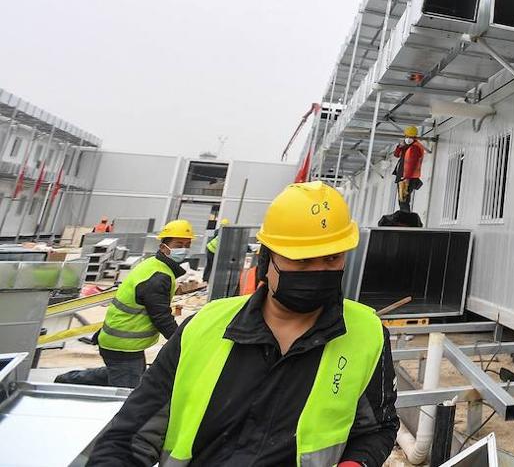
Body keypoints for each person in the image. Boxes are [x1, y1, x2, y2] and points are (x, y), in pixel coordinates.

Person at [86, 181, 398, 467]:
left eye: (331, 259)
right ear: (267, 259)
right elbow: (126, 438)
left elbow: (378, 428)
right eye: (301, 260)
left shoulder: (367, 334)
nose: (318, 271)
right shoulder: (205, 327)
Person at [56, 220, 194, 388]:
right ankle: (72, 383)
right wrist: (180, 342)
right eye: (178, 244)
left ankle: (69, 379)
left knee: (120, 373)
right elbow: (161, 317)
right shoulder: (158, 277)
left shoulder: (154, 264)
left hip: (121, 342)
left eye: (187, 245)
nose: (184, 249)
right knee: (126, 391)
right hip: (123, 344)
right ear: (164, 246)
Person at [393, 126, 428, 213]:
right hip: (403, 176)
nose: (408, 138)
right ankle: (404, 218)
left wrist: (406, 178)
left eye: (410, 137)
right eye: (407, 136)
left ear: (415, 137)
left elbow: (412, 164)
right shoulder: (406, 146)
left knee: (404, 200)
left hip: (407, 178)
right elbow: (396, 155)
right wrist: (399, 146)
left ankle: (405, 220)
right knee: (402, 200)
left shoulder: (415, 147)